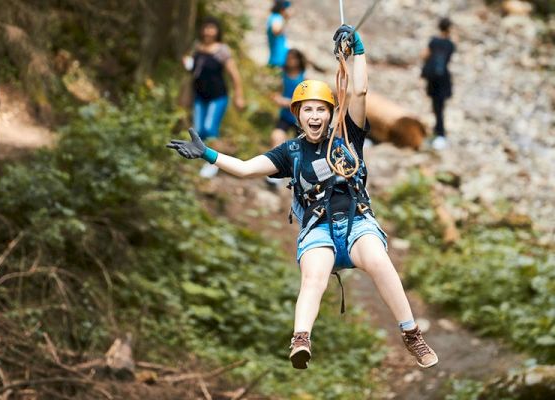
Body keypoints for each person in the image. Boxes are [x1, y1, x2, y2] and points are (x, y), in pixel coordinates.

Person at [168, 25, 438, 370]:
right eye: (307, 110)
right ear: (297, 114)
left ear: (330, 113)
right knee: (313, 277)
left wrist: (357, 51)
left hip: (356, 222)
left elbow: (360, 90)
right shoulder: (290, 152)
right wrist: (208, 154)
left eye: (320, 110)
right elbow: (247, 168)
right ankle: (301, 339)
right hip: (318, 230)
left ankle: (411, 332)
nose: (314, 116)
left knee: (379, 260)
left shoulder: (348, 136)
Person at [183, 17, 245, 178]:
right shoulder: (197, 47)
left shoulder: (222, 50)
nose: (208, 31)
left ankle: (213, 163)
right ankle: (202, 156)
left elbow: (234, 75)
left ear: (217, 31)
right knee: (198, 130)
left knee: (210, 128)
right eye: (206, 27)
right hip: (199, 96)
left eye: (212, 28)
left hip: (217, 96)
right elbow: (194, 71)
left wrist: (239, 96)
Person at [266, 48, 306, 189]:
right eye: (289, 58)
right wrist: (277, 98)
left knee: (302, 150)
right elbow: (274, 92)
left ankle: (300, 178)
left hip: (300, 119)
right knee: (276, 137)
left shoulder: (304, 77)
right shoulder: (281, 75)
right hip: (285, 117)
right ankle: (275, 171)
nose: (291, 61)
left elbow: (307, 100)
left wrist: (288, 102)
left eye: (294, 58)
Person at [421, 17, 456, 151]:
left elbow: (424, 55)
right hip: (444, 78)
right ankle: (440, 133)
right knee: (440, 106)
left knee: (436, 106)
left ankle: (438, 131)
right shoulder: (450, 44)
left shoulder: (433, 41)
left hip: (432, 78)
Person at [267, 0, 291, 68]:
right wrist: (285, 20)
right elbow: (276, 30)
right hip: (278, 60)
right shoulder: (277, 17)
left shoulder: (274, 17)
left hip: (280, 59)